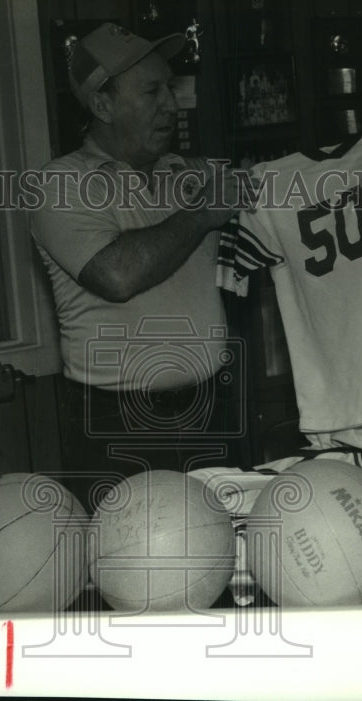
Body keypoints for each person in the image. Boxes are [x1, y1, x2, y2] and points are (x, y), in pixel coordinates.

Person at [30, 23, 253, 511]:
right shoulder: (60, 185)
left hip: (212, 409)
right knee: (130, 574)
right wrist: (202, 214)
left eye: (170, 88)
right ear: (102, 106)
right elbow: (117, 276)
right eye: (152, 91)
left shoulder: (193, 174)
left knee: (229, 556)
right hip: (118, 424)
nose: (172, 105)